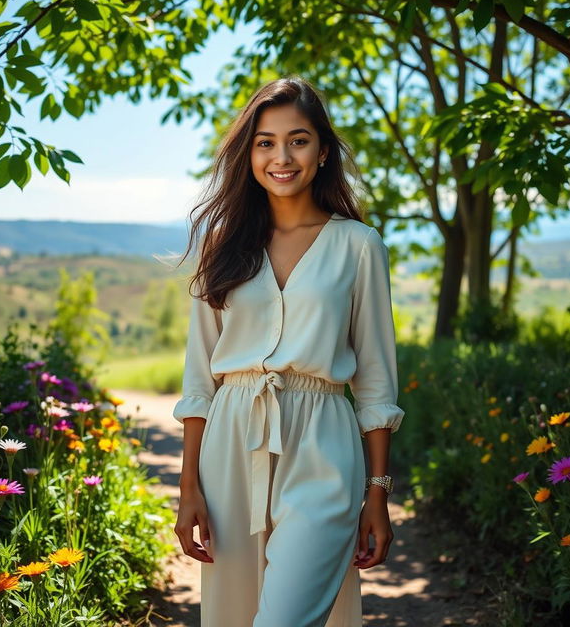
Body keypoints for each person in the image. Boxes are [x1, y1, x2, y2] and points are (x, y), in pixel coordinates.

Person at [172, 76, 405, 627]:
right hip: (231, 441)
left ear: (323, 152)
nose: (282, 156)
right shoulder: (222, 244)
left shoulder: (359, 246)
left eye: (298, 140)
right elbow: (199, 379)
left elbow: (375, 381)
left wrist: (378, 494)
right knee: (235, 616)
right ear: (249, 153)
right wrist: (188, 489)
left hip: (324, 444)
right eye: (265, 142)